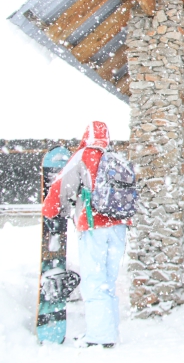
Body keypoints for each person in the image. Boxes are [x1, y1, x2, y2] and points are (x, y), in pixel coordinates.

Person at [42, 122, 129, 348]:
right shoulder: (115, 157)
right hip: (119, 226)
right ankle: (110, 332)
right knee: (109, 281)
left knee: (94, 281)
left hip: (93, 226)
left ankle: (99, 337)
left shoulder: (84, 155)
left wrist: (50, 212)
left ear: (86, 135)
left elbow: (61, 187)